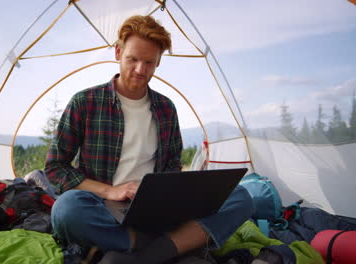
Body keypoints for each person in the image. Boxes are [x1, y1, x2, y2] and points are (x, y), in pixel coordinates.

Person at [45, 15, 253, 264]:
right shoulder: (85, 102)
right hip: (103, 207)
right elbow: (55, 168)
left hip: (157, 209)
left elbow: (172, 165)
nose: (140, 70)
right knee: (66, 210)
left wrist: (169, 194)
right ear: (118, 52)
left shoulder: (166, 108)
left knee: (241, 196)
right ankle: (164, 245)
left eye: (149, 62)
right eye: (133, 59)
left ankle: (148, 253)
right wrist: (110, 191)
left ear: (158, 62)